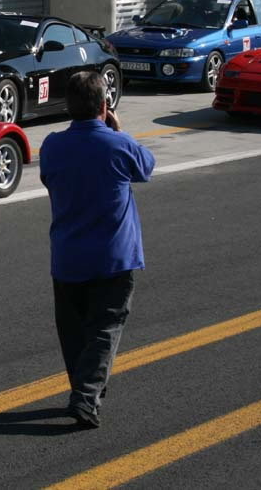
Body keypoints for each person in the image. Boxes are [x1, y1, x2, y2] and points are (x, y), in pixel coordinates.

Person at [38, 71, 155, 428]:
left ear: (68, 107)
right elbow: (146, 166)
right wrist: (117, 131)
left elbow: (48, 178)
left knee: (73, 332)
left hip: (68, 255)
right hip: (112, 257)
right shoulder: (118, 145)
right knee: (105, 327)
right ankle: (86, 398)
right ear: (104, 106)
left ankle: (83, 390)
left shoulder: (52, 146)